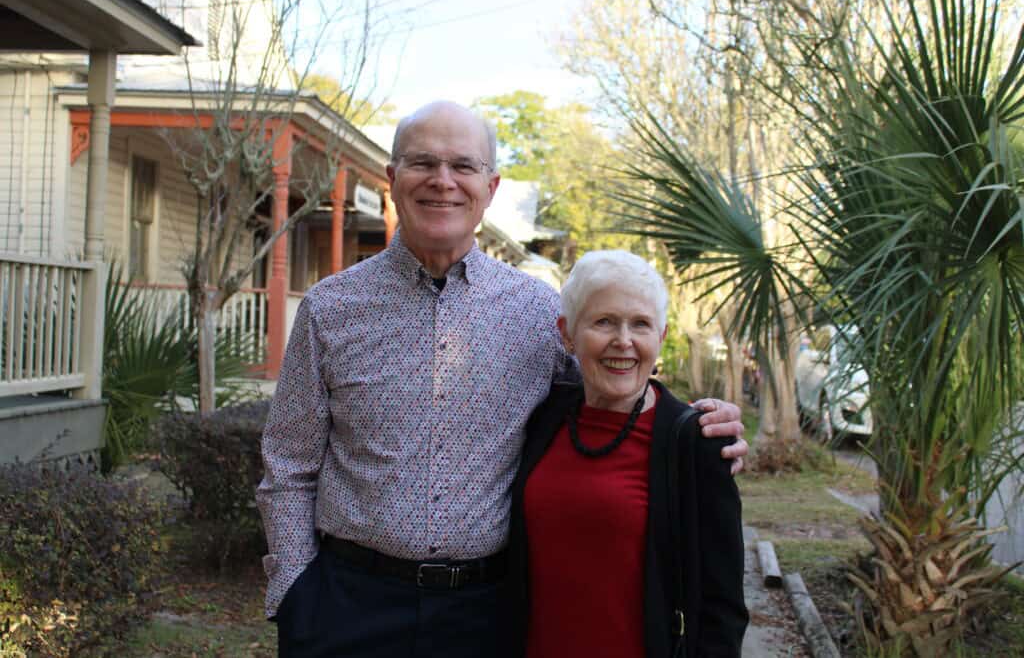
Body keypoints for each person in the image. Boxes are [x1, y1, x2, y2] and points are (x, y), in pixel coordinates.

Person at [256, 101, 748, 657]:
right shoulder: (330, 308)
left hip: (488, 616)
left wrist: (697, 428)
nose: (443, 182)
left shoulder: (539, 313)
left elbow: (611, 389)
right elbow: (289, 465)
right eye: (423, 164)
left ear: (490, 187)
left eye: (463, 167)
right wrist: (295, 594)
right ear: (392, 180)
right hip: (348, 608)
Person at [508, 250, 748, 658]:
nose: (624, 341)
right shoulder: (542, 419)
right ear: (567, 333)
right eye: (603, 322)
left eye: (640, 324)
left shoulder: (696, 442)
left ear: (662, 336)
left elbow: (722, 608)